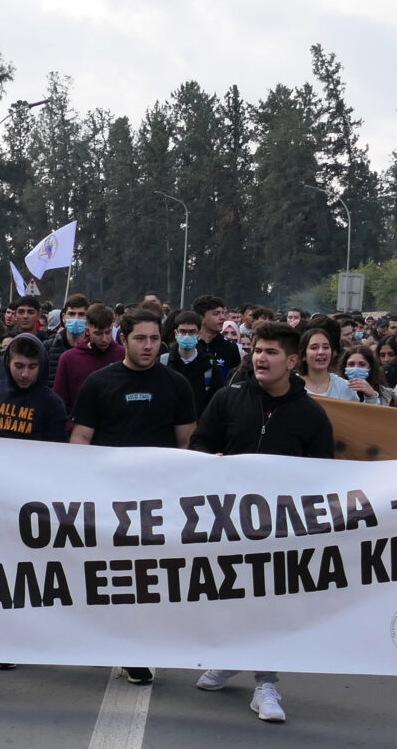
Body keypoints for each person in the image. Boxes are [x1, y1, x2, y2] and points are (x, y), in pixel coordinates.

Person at [188, 322, 335, 723]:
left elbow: (323, 476)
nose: (260, 358)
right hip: (229, 520)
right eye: (256, 350)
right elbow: (199, 443)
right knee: (232, 597)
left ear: (292, 361)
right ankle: (231, 657)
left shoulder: (311, 414)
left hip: (282, 527)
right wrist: (209, 461)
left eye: (270, 352)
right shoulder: (228, 398)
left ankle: (266, 684)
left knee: (269, 602)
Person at [68, 308, 197, 687]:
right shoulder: (98, 383)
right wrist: (75, 481)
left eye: (155, 339)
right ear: (124, 338)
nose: (148, 346)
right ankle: (119, 644)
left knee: (150, 577)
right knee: (114, 574)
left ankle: (138, 648)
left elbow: (187, 442)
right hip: (109, 498)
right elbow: (81, 437)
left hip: (159, 500)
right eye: (140, 338)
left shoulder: (176, 385)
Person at [0, 333, 68, 440]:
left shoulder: (53, 404)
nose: (25, 374)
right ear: (7, 362)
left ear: (41, 365)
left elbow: (55, 449)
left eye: (32, 367)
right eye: (19, 366)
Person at [51, 302, 124, 406]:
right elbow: (59, 401)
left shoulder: (123, 355)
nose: (104, 339)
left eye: (108, 332)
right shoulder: (69, 358)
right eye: (98, 334)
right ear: (87, 331)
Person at [299, 323, 359, 401]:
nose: (321, 352)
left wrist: (372, 397)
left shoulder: (345, 387)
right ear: (303, 355)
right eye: (314, 348)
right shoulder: (291, 385)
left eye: (326, 347)